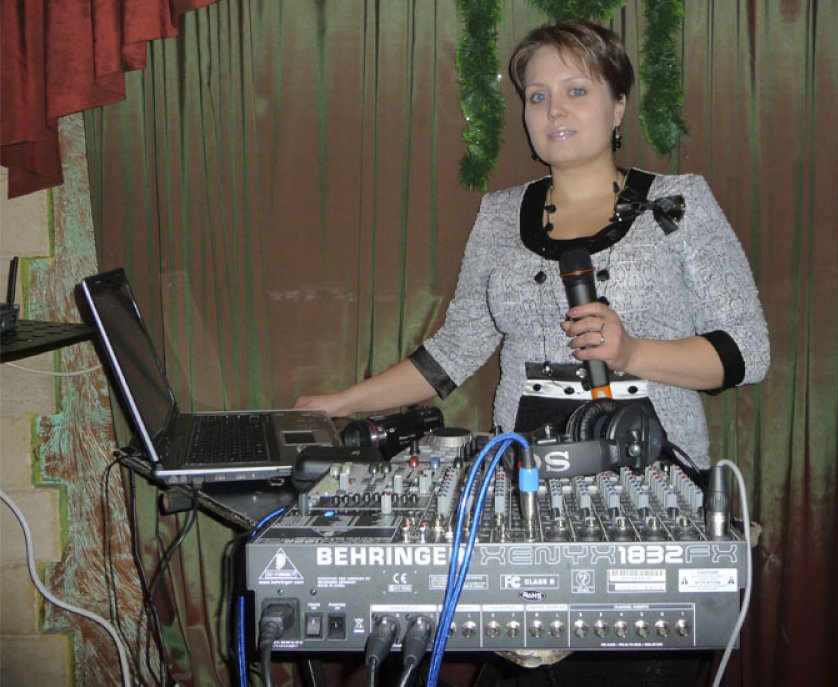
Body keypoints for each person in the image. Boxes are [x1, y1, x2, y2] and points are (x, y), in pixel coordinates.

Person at [297, 19, 769, 687]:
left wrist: (632, 350)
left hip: (648, 472)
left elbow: (748, 350)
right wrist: (339, 402)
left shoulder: (680, 202)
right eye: (538, 96)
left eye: (577, 90)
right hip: (523, 482)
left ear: (618, 107)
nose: (554, 110)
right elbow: (454, 349)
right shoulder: (498, 214)